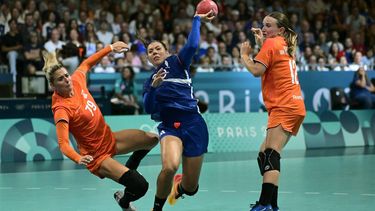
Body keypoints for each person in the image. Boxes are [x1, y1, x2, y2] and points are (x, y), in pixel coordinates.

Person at [42, 41, 159, 211]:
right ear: (53, 86)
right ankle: (124, 201)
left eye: (66, 75)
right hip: (97, 157)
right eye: (61, 79)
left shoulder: (76, 81)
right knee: (140, 186)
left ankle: (129, 170)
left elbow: (87, 63)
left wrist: (111, 48)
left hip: (109, 139)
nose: (67, 80)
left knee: (152, 139)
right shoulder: (61, 109)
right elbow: (63, 144)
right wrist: (78, 158)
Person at [142, 11, 215, 211]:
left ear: (167, 52)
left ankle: (180, 188)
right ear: (148, 58)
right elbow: (148, 108)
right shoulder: (149, 81)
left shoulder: (178, 62)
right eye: (150, 51)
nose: (154, 52)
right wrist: (154, 88)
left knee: (191, 188)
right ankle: (157, 208)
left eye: (158, 48)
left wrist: (197, 19)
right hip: (169, 127)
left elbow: (192, 45)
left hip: (193, 124)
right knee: (170, 167)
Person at [240, 12, 306, 211]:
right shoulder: (285, 45)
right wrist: (262, 43)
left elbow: (256, 71)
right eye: (263, 25)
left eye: (269, 25)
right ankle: (272, 204)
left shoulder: (272, 44)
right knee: (264, 154)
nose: (264, 29)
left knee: (270, 154)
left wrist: (244, 54)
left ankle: (264, 204)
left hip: (284, 106)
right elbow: (272, 61)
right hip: (293, 106)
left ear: (281, 30)